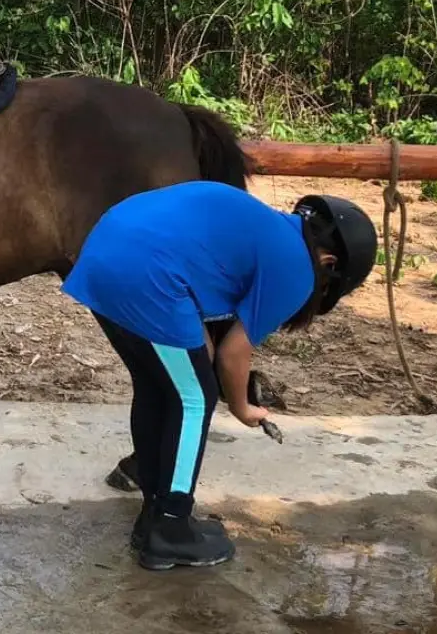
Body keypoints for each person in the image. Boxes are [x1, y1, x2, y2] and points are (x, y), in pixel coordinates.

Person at [62, 180, 376, 570]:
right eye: (327, 286)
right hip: (146, 273)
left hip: (105, 250)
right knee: (194, 400)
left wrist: (215, 375)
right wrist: (242, 407)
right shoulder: (298, 267)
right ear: (328, 264)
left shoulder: (267, 229)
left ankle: (153, 515)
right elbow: (232, 354)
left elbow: (202, 341)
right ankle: (171, 527)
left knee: (158, 386)